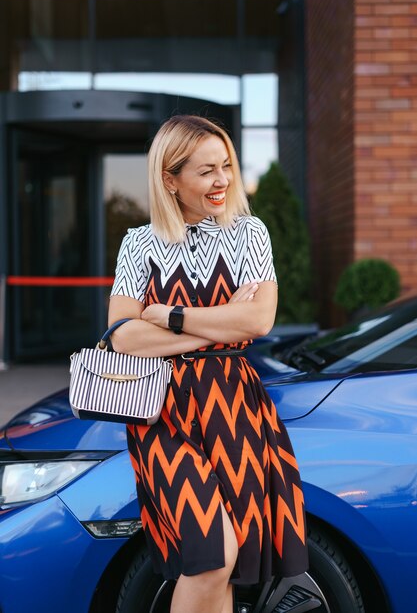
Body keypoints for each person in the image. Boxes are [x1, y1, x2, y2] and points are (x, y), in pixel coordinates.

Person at [108, 115, 308, 613]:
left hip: (236, 410)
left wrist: (171, 317)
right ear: (170, 179)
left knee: (228, 562)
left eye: (226, 166)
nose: (222, 181)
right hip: (163, 415)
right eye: (205, 171)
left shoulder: (249, 233)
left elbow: (258, 320)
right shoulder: (140, 243)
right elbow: (122, 337)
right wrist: (218, 326)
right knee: (211, 556)